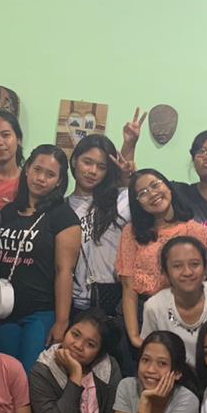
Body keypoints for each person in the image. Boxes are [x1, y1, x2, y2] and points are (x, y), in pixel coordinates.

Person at [0, 144, 82, 368]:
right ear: (27, 169)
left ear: (59, 181)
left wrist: (62, 321)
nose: (41, 178)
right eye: (37, 170)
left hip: (40, 312)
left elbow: (65, 271)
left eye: (50, 174)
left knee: (31, 376)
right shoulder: (8, 212)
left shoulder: (63, 216)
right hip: (3, 311)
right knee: (4, 374)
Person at [117, 168, 207, 349]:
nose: (152, 194)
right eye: (143, 193)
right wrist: (135, 336)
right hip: (140, 314)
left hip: (182, 313)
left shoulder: (195, 230)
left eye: (155, 185)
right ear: (137, 203)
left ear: (168, 186)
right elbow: (128, 287)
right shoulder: (132, 232)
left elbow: (200, 280)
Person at [141, 236, 207, 369]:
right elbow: (151, 355)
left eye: (194, 264)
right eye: (177, 266)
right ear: (165, 272)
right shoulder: (154, 307)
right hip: (176, 378)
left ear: (206, 268)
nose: (187, 272)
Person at [69, 134, 131, 321]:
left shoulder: (117, 202)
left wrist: (130, 143)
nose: (93, 171)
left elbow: (133, 192)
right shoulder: (61, 207)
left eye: (101, 167)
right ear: (74, 161)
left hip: (110, 299)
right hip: (71, 301)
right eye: (87, 162)